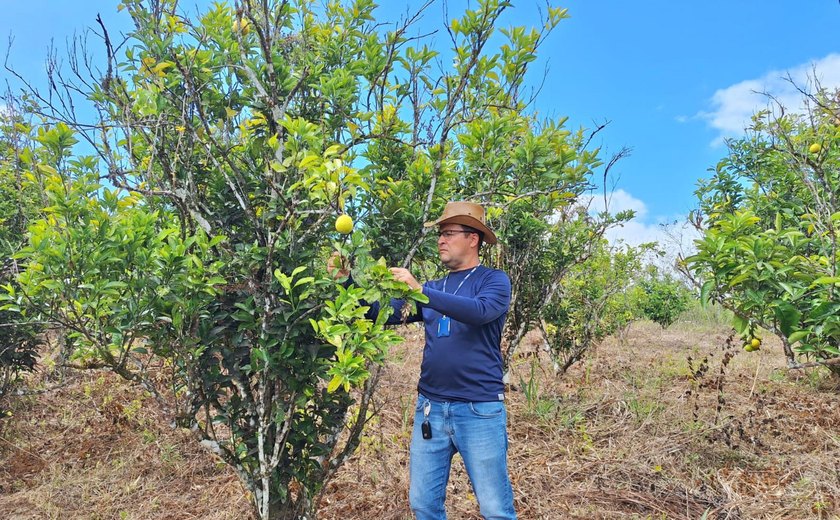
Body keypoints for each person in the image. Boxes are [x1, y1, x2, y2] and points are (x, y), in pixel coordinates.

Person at [332, 201, 515, 519]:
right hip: (431, 410)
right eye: (440, 234)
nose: (441, 240)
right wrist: (345, 280)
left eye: (449, 233)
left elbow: (480, 312)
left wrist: (420, 290)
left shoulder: (494, 281)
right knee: (424, 505)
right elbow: (379, 313)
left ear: (473, 238)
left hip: (479, 410)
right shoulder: (434, 287)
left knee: (495, 509)